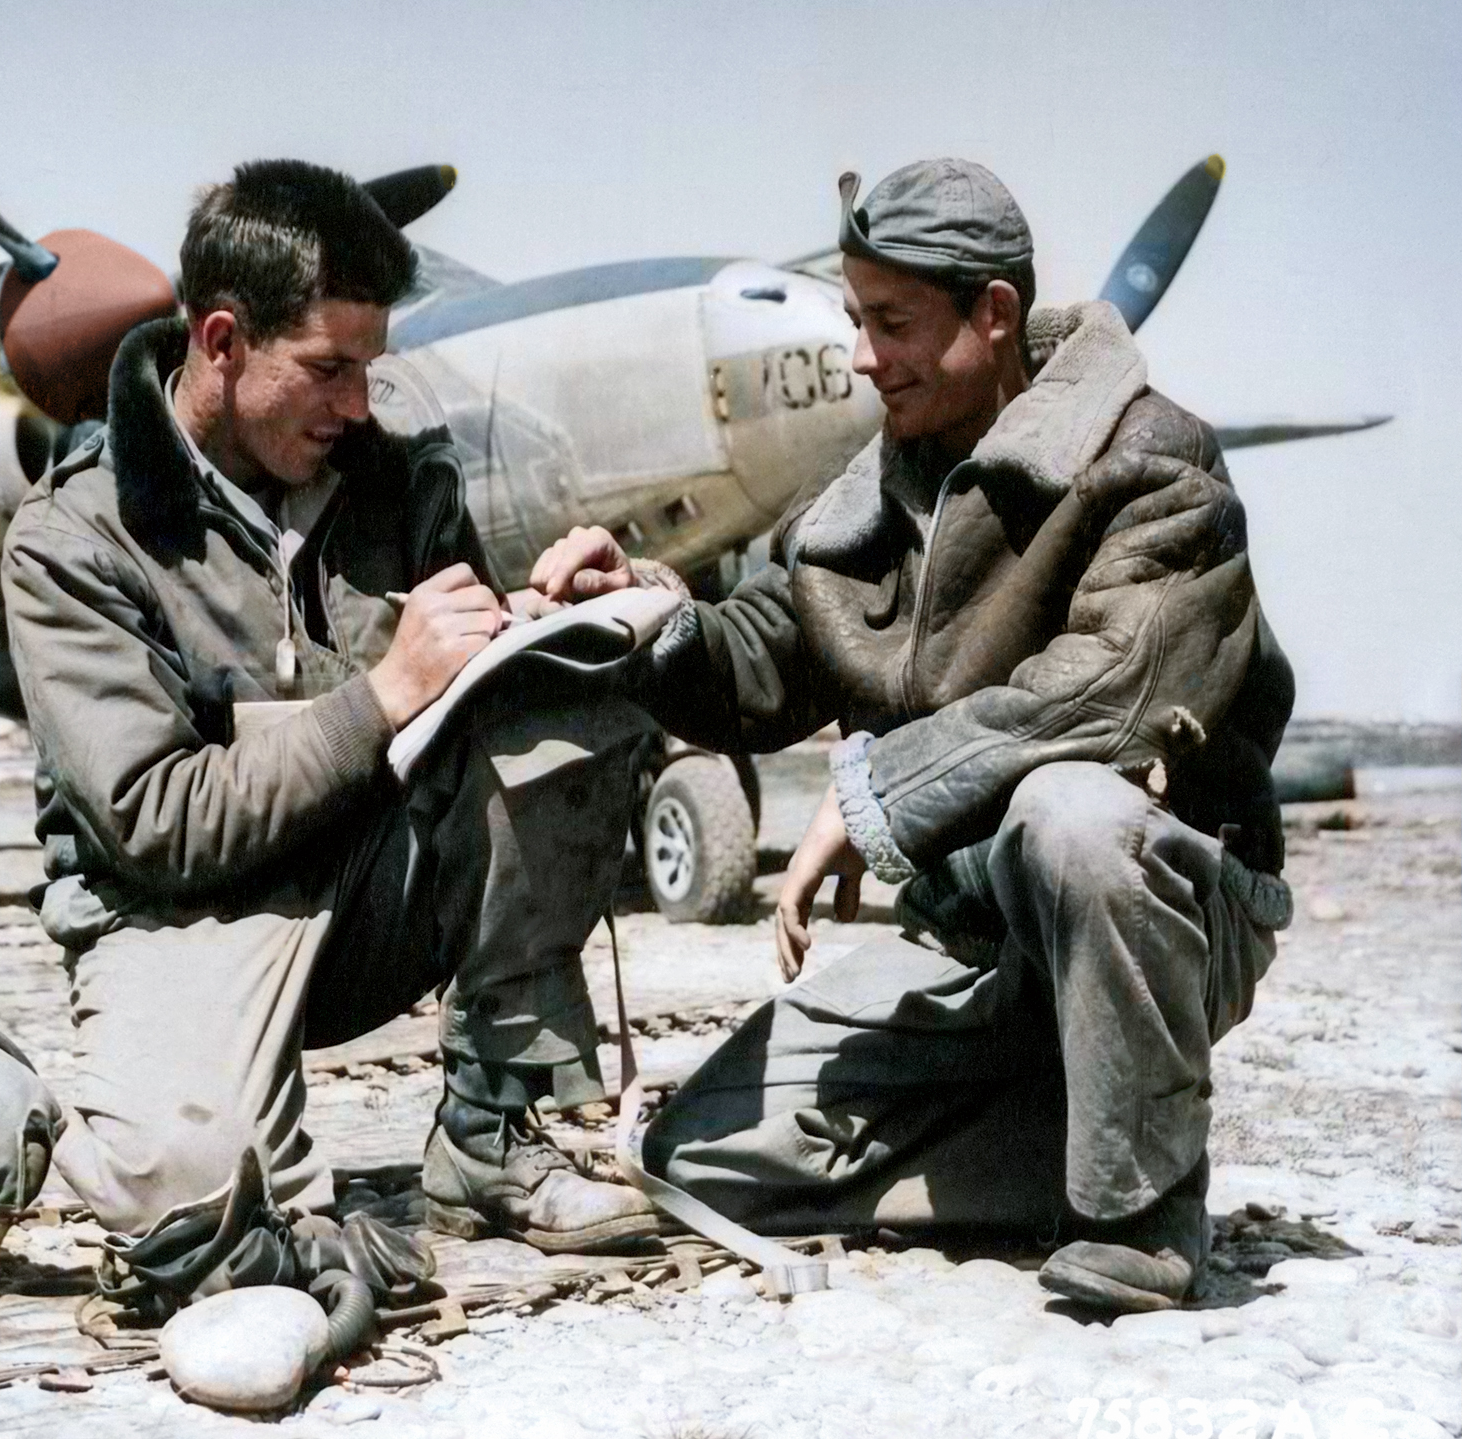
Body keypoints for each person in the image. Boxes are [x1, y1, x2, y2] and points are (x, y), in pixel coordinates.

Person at [531, 159, 1295, 1313]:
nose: (860, 357)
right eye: (854, 321)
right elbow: (758, 659)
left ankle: (1139, 1214)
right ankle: (1066, 1146)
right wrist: (640, 614)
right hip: (968, 933)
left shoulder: (1154, 462)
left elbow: (1109, 695)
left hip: (1161, 906)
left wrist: (874, 788)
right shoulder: (869, 495)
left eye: (891, 324)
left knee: (1071, 811)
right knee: (702, 1155)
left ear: (991, 316)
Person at [2, 159, 660, 1260]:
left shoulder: (397, 484)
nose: (357, 404)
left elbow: (471, 705)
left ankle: (493, 1130)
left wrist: (547, 621)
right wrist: (382, 693)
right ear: (219, 342)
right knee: (188, 1203)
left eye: (370, 366)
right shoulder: (73, 538)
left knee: (562, 705)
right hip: (175, 920)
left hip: (363, 897)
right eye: (326, 368)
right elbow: (154, 821)